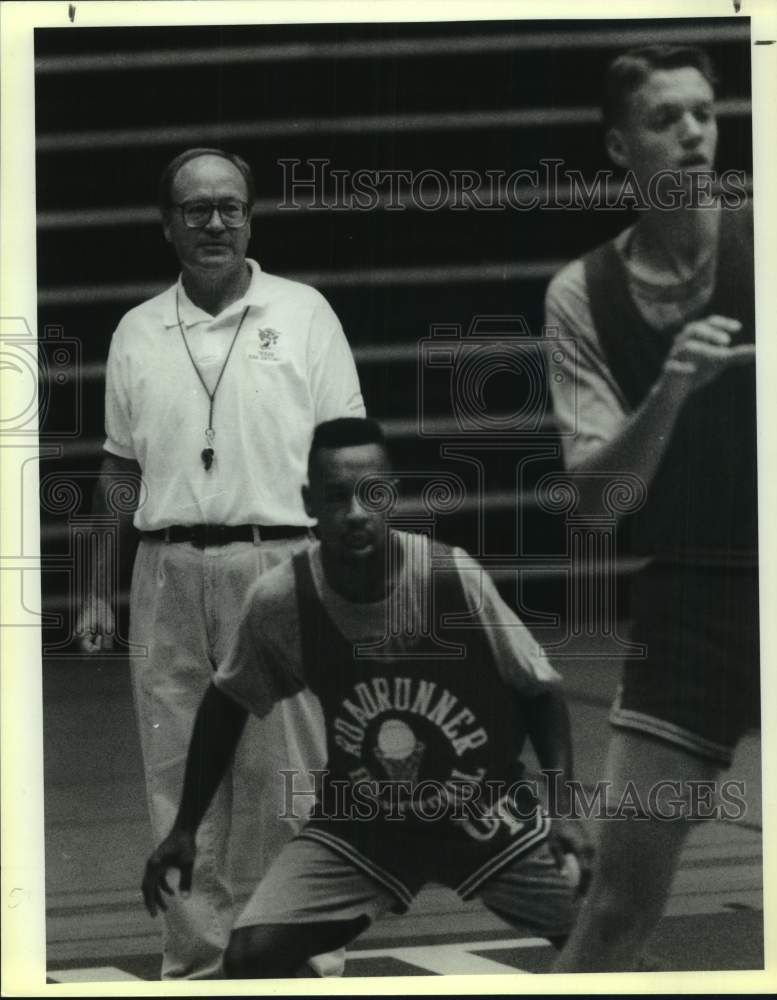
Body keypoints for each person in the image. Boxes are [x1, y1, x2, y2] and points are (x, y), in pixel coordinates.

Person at [141, 417, 593, 977]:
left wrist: (563, 809)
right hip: (366, 819)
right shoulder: (283, 599)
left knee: (607, 935)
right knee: (252, 957)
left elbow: (540, 693)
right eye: (336, 497)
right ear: (310, 503)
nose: (355, 511)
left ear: (391, 497)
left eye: (371, 494)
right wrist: (185, 827)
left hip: (485, 809)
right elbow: (226, 702)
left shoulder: (450, 579)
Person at [76, 148, 365, 979]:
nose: (214, 223)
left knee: (289, 780)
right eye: (195, 209)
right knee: (177, 780)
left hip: (282, 565)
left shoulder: (304, 313)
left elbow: (347, 455)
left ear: (250, 217)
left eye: (230, 207)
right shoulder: (137, 330)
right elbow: (119, 469)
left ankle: (295, 963)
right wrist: (97, 590)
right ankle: (198, 968)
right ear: (166, 224)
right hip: (167, 574)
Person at [543, 45, 758, 971]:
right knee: (614, 910)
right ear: (618, 146)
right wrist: (669, 391)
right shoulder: (580, 296)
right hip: (694, 603)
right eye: (665, 118)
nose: (692, 132)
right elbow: (597, 507)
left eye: (703, 113)